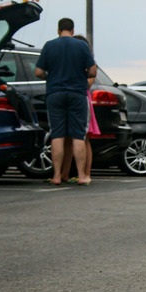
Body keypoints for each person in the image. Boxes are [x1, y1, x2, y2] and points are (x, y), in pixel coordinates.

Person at [35, 18, 96, 186]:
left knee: (57, 134)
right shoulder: (82, 46)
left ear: (58, 30)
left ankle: (56, 175)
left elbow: (38, 71)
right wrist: (83, 77)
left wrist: (50, 77)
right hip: (77, 93)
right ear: (73, 30)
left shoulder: (49, 45)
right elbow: (92, 70)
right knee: (78, 135)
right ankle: (82, 176)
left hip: (55, 93)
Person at [61, 34, 98, 184]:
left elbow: (88, 83)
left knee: (84, 137)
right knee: (69, 139)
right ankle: (65, 173)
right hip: (76, 99)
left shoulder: (88, 65)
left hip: (83, 100)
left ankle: (86, 173)